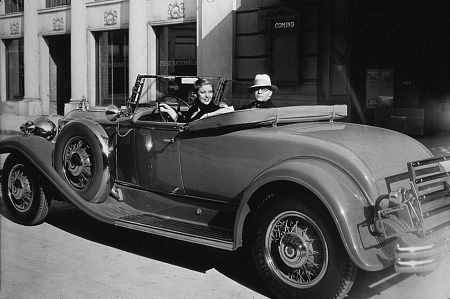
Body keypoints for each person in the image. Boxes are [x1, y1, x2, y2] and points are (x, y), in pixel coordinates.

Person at [159, 78, 233, 122]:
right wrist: (169, 110)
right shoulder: (194, 108)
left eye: (210, 92)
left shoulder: (214, 107)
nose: (207, 96)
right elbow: (184, 123)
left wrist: (207, 115)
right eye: (203, 92)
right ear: (196, 94)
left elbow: (229, 110)